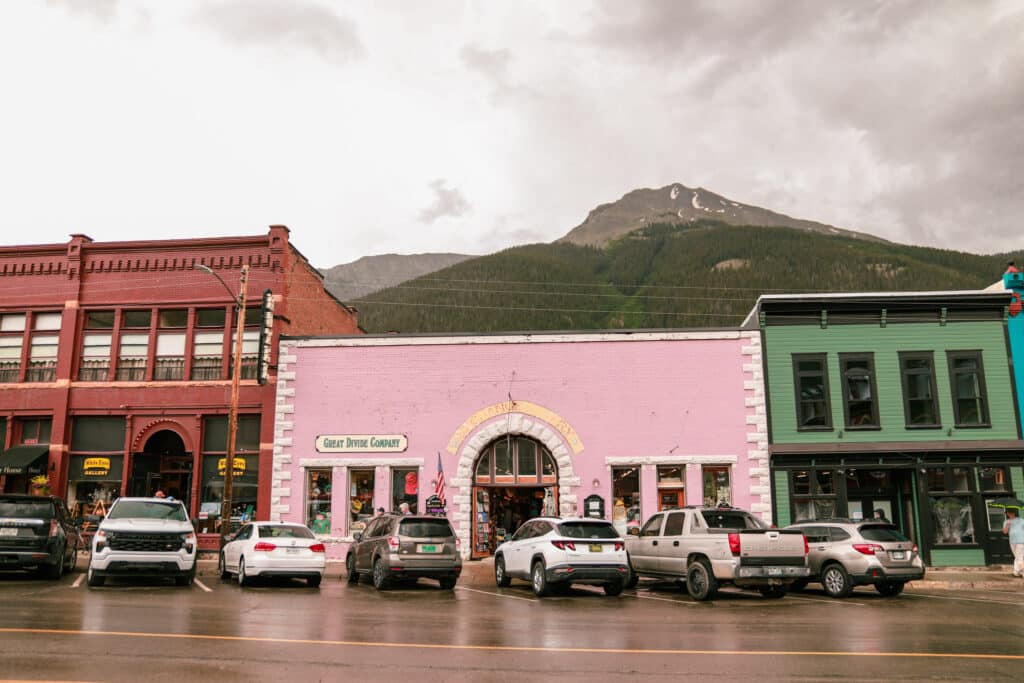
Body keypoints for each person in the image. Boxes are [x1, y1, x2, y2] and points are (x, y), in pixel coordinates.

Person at [1002, 508, 1024, 577]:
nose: (1009, 514)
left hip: (1021, 541)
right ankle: (1016, 572)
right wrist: (1007, 525)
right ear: (1007, 514)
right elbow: (1005, 532)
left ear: (1014, 513)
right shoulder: (1006, 521)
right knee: (1017, 557)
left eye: (1011, 512)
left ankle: (1022, 572)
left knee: (1019, 557)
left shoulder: (1021, 520)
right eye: (1008, 513)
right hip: (1012, 541)